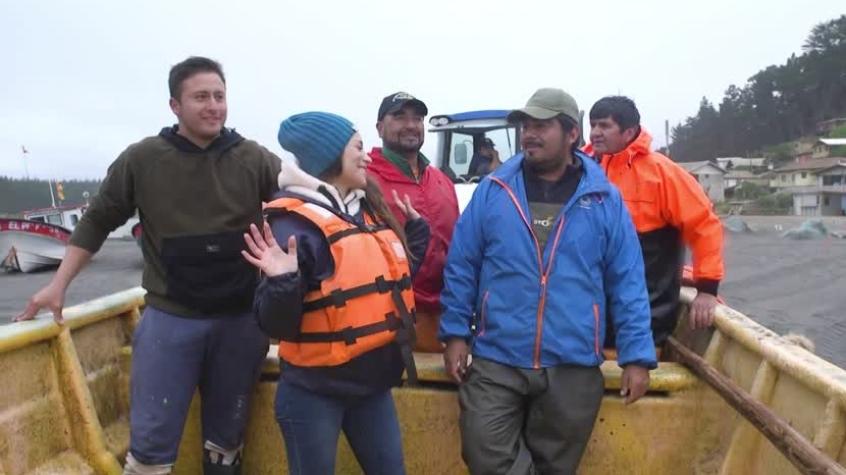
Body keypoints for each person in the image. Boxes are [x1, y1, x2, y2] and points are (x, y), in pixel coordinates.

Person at [16, 56, 281, 475]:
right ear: (175, 105)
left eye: (219, 96)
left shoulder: (253, 158)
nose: (213, 106)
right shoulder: (142, 159)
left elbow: (300, 202)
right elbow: (98, 220)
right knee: (152, 444)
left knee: (227, 440)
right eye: (200, 97)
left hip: (240, 322)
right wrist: (59, 285)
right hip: (171, 321)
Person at [440, 88, 656, 474]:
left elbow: (627, 281)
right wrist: (456, 333)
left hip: (572, 361)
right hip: (496, 357)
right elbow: (462, 265)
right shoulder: (493, 191)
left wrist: (636, 356)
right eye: (525, 125)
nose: (529, 134)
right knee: (484, 454)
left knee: (557, 466)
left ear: (572, 133)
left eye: (541, 125)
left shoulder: (605, 199)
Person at [245, 112, 430, 474]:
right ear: (329, 156)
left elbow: (383, 286)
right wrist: (282, 282)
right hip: (313, 392)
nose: (367, 157)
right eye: (358, 148)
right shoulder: (292, 223)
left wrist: (417, 235)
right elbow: (275, 323)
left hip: (372, 387)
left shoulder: (366, 209)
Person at [585, 96, 725, 346]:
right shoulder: (581, 168)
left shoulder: (663, 174)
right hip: (589, 304)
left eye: (604, 126)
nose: (595, 132)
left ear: (628, 132)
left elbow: (704, 226)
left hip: (646, 306)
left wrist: (707, 291)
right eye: (593, 124)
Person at [367, 91, 459, 352]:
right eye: (399, 117)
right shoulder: (364, 181)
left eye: (417, 118)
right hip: (386, 320)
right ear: (380, 127)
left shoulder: (442, 181)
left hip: (443, 319)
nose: (410, 125)